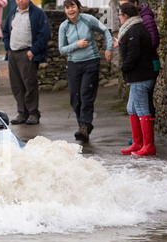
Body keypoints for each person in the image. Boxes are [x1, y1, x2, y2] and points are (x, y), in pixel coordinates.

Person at [58, 0, 113, 142]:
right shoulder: (64, 26)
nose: (70, 10)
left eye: (73, 6)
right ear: (65, 10)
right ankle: (84, 127)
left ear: (78, 7)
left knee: (86, 95)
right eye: (67, 7)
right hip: (73, 64)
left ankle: (84, 128)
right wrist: (76, 45)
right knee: (75, 98)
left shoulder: (88, 20)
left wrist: (109, 48)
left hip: (91, 62)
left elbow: (105, 30)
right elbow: (62, 49)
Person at [114, 2, 156, 156]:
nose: (118, 18)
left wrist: (124, 67)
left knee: (142, 110)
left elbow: (134, 54)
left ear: (125, 16)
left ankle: (149, 145)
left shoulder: (135, 30)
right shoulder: (134, 28)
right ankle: (138, 142)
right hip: (138, 77)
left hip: (140, 77)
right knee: (131, 108)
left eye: (119, 15)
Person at [2, 0, 51, 125]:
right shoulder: (13, 12)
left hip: (27, 54)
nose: (20, 1)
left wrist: (33, 51)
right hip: (13, 54)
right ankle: (22, 113)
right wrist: (8, 49)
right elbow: (6, 32)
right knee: (16, 86)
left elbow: (45, 34)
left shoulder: (37, 13)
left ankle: (33, 113)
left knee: (30, 84)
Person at [120, 0, 160, 120]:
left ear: (135, 3)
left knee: (144, 106)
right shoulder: (133, 26)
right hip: (141, 68)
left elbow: (151, 43)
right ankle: (139, 138)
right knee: (133, 107)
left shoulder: (142, 22)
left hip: (145, 68)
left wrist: (127, 66)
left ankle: (146, 138)